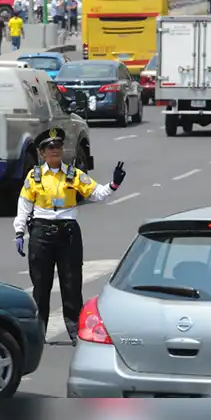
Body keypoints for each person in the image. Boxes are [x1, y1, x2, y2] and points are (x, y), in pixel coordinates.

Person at [13, 127, 127, 345]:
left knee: (72, 284)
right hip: (41, 233)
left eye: (58, 147)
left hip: (68, 233)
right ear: (42, 152)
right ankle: (39, 332)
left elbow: (97, 194)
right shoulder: (34, 177)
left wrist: (114, 184)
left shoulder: (73, 174)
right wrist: (19, 231)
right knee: (41, 285)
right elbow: (24, 205)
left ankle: (75, 331)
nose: (55, 151)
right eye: (50, 148)